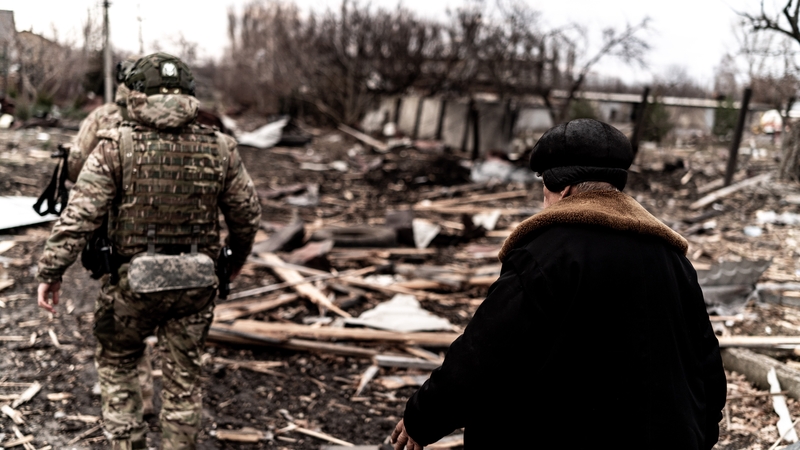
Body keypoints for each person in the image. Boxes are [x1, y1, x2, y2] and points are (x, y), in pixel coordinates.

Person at [391, 118, 726, 450]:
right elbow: (707, 364)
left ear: (562, 188)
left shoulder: (545, 255)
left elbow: (485, 354)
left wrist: (423, 418)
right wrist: (699, 433)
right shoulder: (672, 260)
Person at [36, 52, 261, 450]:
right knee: (184, 384)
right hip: (196, 288)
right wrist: (234, 261)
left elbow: (78, 217)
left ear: (135, 93)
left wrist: (50, 273)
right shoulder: (221, 147)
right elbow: (247, 216)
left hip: (129, 288)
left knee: (119, 365)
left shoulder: (114, 145)